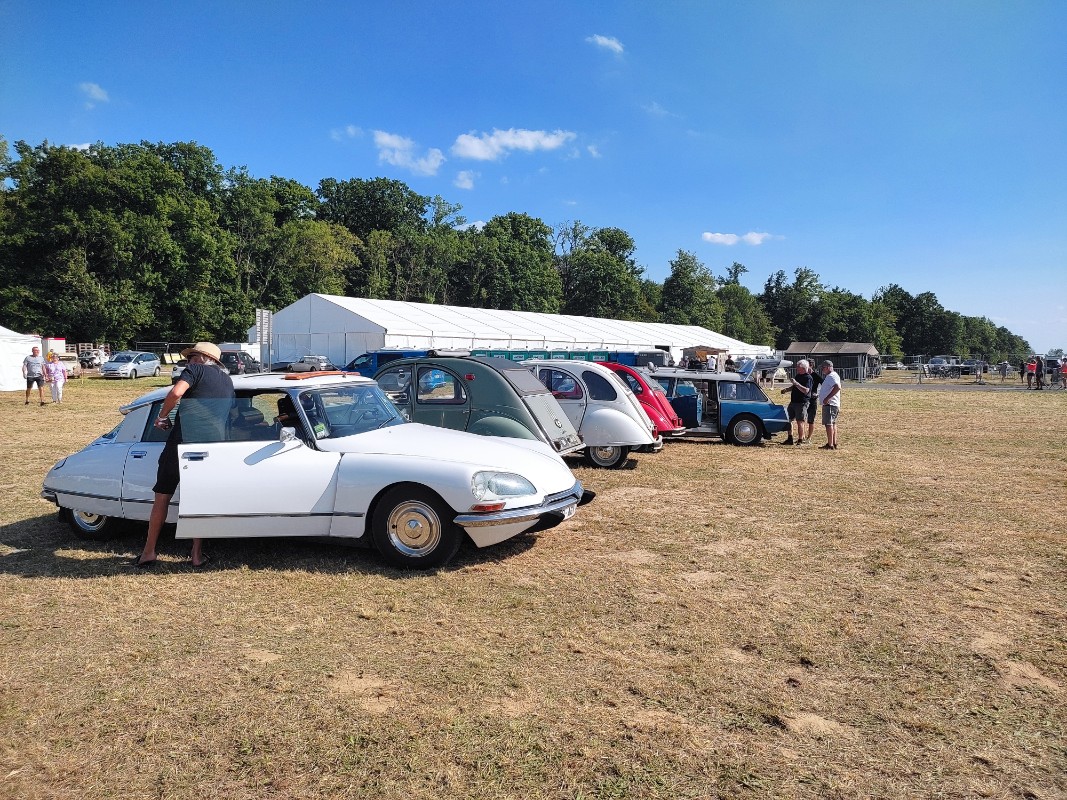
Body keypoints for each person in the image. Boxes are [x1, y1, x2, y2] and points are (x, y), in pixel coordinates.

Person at [135, 342, 234, 568]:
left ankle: (149, 552)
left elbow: (176, 392)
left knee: (162, 496)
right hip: (211, 448)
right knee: (198, 500)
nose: (188, 362)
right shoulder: (227, 381)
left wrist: (162, 416)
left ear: (200, 358)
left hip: (182, 443)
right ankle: (196, 555)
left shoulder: (195, 370)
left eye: (191, 358)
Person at [781, 359, 814, 445]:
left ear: (804, 368)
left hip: (802, 402)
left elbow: (806, 390)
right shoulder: (798, 376)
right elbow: (794, 386)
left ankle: (800, 440)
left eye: (798, 367)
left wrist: (796, 384)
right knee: (789, 419)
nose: (796, 368)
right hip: (793, 402)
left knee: (800, 421)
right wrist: (786, 390)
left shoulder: (808, 378)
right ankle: (790, 438)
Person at [817, 359, 841, 450]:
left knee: (829, 424)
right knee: (833, 423)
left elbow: (837, 387)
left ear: (828, 367)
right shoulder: (831, 376)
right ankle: (834, 443)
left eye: (823, 368)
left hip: (830, 404)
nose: (822, 370)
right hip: (832, 404)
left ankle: (830, 444)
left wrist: (827, 398)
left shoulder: (831, 376)